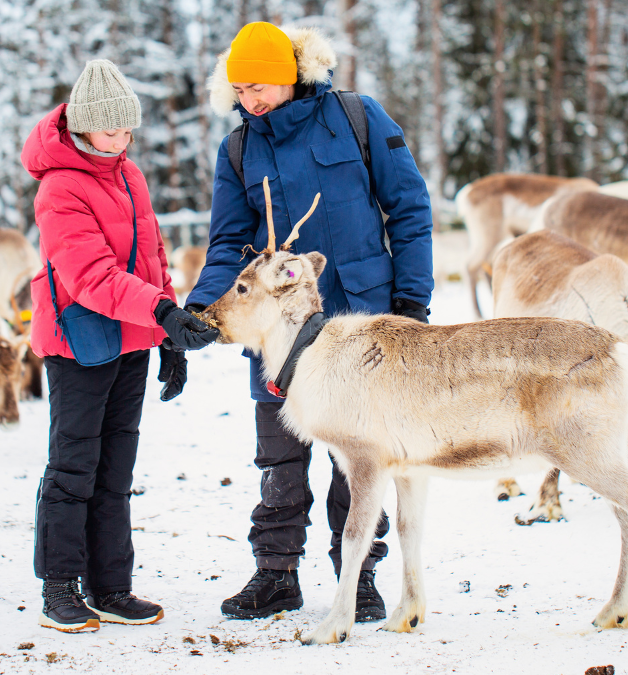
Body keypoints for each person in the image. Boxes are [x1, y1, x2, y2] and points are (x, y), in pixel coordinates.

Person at [177, 22, 434, 622]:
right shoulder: (238, 150)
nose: (250, 100)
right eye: (239, 90)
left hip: (362, 321)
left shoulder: (358, 118)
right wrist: (200, 307)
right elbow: (227, 243)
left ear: (291, 73)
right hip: (279, 332)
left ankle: (359, 576)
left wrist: (412, 303)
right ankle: (275, 574)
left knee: (360, 452)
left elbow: (410, 209)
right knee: (280, 454)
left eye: (260, 86)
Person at [21, 59, 219, 632]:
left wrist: (167, 336)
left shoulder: (129, 175)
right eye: (112, 131)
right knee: (73, 465)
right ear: (83, 128)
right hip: (78, 341)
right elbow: (91, 275)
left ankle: (111, 586)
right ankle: (60, 586)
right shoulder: (60, 187)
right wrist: (160, 311)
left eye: (128, 130)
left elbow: (153, 257)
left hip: (131, 338)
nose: (122, 141)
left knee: (115, 469)